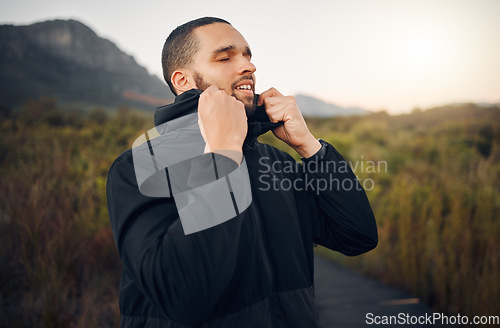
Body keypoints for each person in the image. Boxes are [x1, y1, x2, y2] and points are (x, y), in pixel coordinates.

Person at [106, 17, 378, 328]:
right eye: (225, 57)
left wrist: (309, 147)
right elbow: (183, 295)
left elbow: (357, 237)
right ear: (183, 81)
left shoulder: (276, 163)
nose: (249, 66)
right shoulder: (139, 167)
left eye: (247, 55)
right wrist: (222, 155)